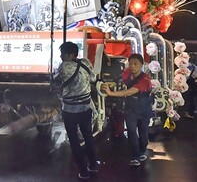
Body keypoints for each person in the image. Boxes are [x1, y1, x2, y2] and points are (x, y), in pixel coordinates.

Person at [53, 42, 98, 180]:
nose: (61, 56)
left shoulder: (64, 67)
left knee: (74, 140)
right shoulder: (85, 62)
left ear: (71, 54)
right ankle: (94, 165)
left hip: (70, 110)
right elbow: (93, 78)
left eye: (63, 54)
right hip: (86, 107)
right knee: (88, 135)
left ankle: (83, 172)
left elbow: (56, 81)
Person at [102, 53, 152, 167]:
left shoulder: (145, 79)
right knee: (131, 131)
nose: (133, 66)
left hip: (144, 109)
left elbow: (129, 91)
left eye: (136, 64)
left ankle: (142, 150)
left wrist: (111, 93)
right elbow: (120, 81)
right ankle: (135, 156)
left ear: (141, 65)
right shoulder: (127, 73)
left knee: (143, 134)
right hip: (131, 109)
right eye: (131, 63)